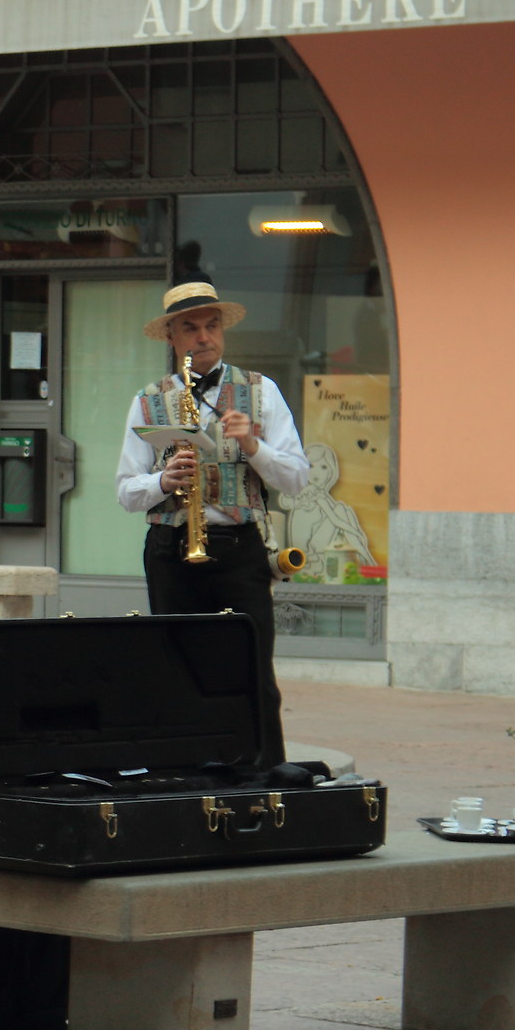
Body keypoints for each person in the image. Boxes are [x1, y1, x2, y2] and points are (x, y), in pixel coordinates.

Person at [116, 278, 310, 728]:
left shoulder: (262, 391)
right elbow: (126, 491)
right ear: (172, 336)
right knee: (176, 668)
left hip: (239, 548)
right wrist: (163, 481)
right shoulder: (148, 400)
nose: (204, 337)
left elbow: (298, 480)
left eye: (211, 326)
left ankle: (258, 774)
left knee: (253, 667)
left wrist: (255, 447)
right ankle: (188, 772)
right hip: (170, 550)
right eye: (190, 328)